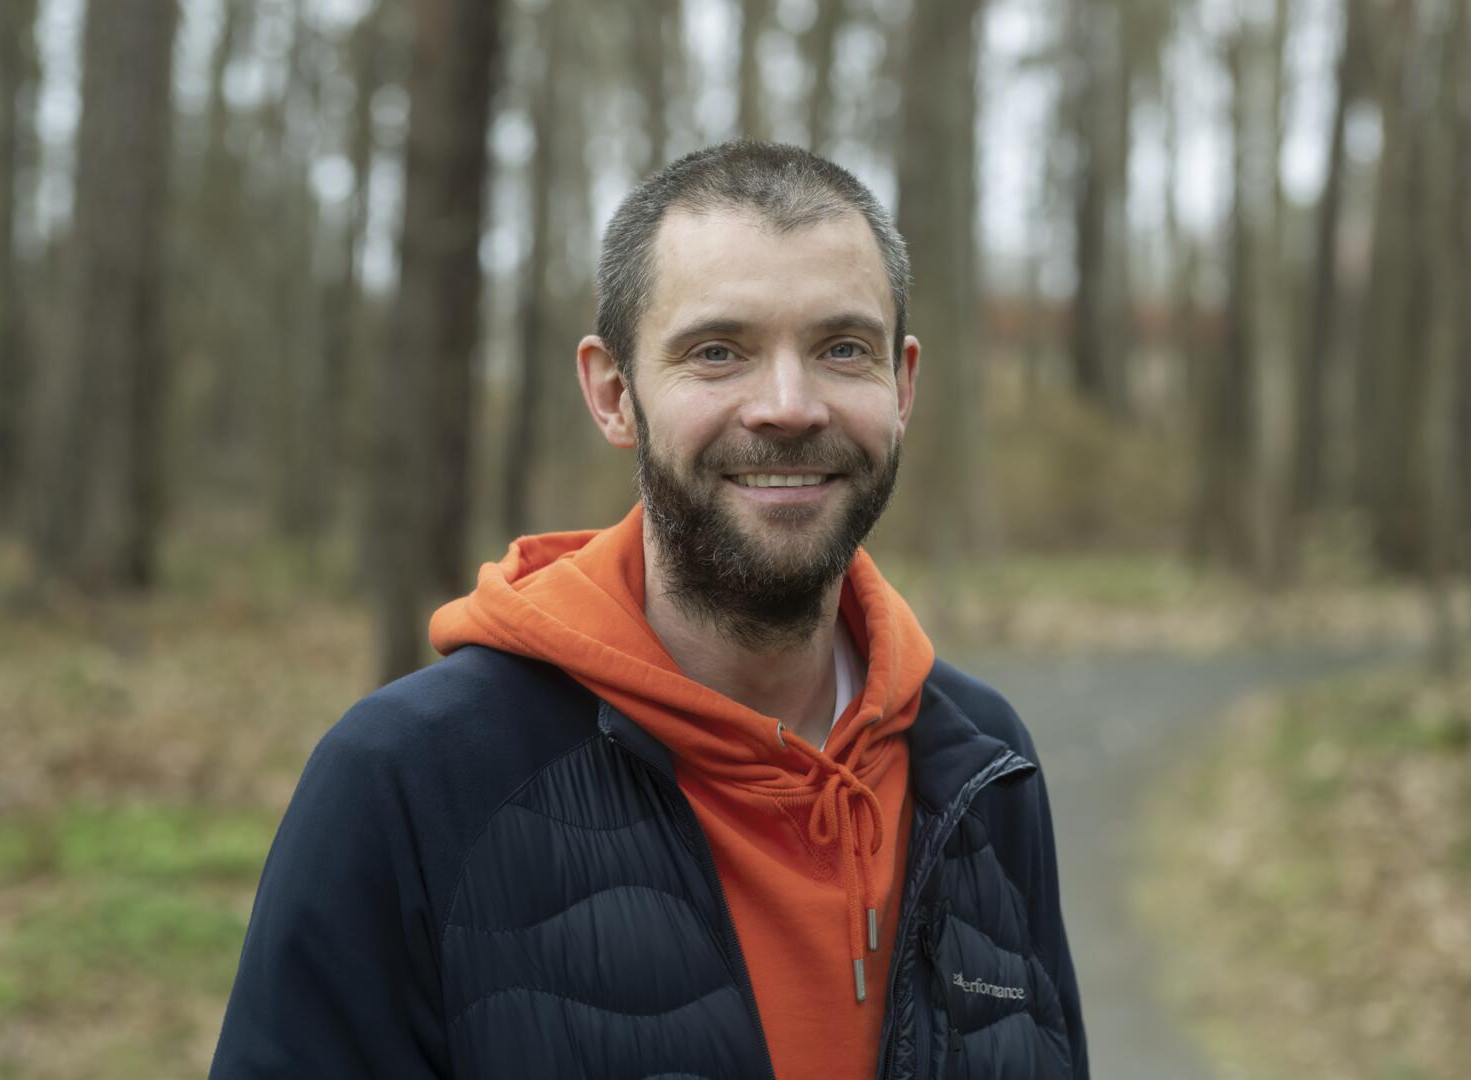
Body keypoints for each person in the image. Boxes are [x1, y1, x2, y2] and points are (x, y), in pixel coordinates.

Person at [209, 141, 1086, 1080]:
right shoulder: (408, 780)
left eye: (842, 350)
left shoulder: (978, 767)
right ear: (612, 392)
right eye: (718, 352)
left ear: (902, 386)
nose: (788, 407)